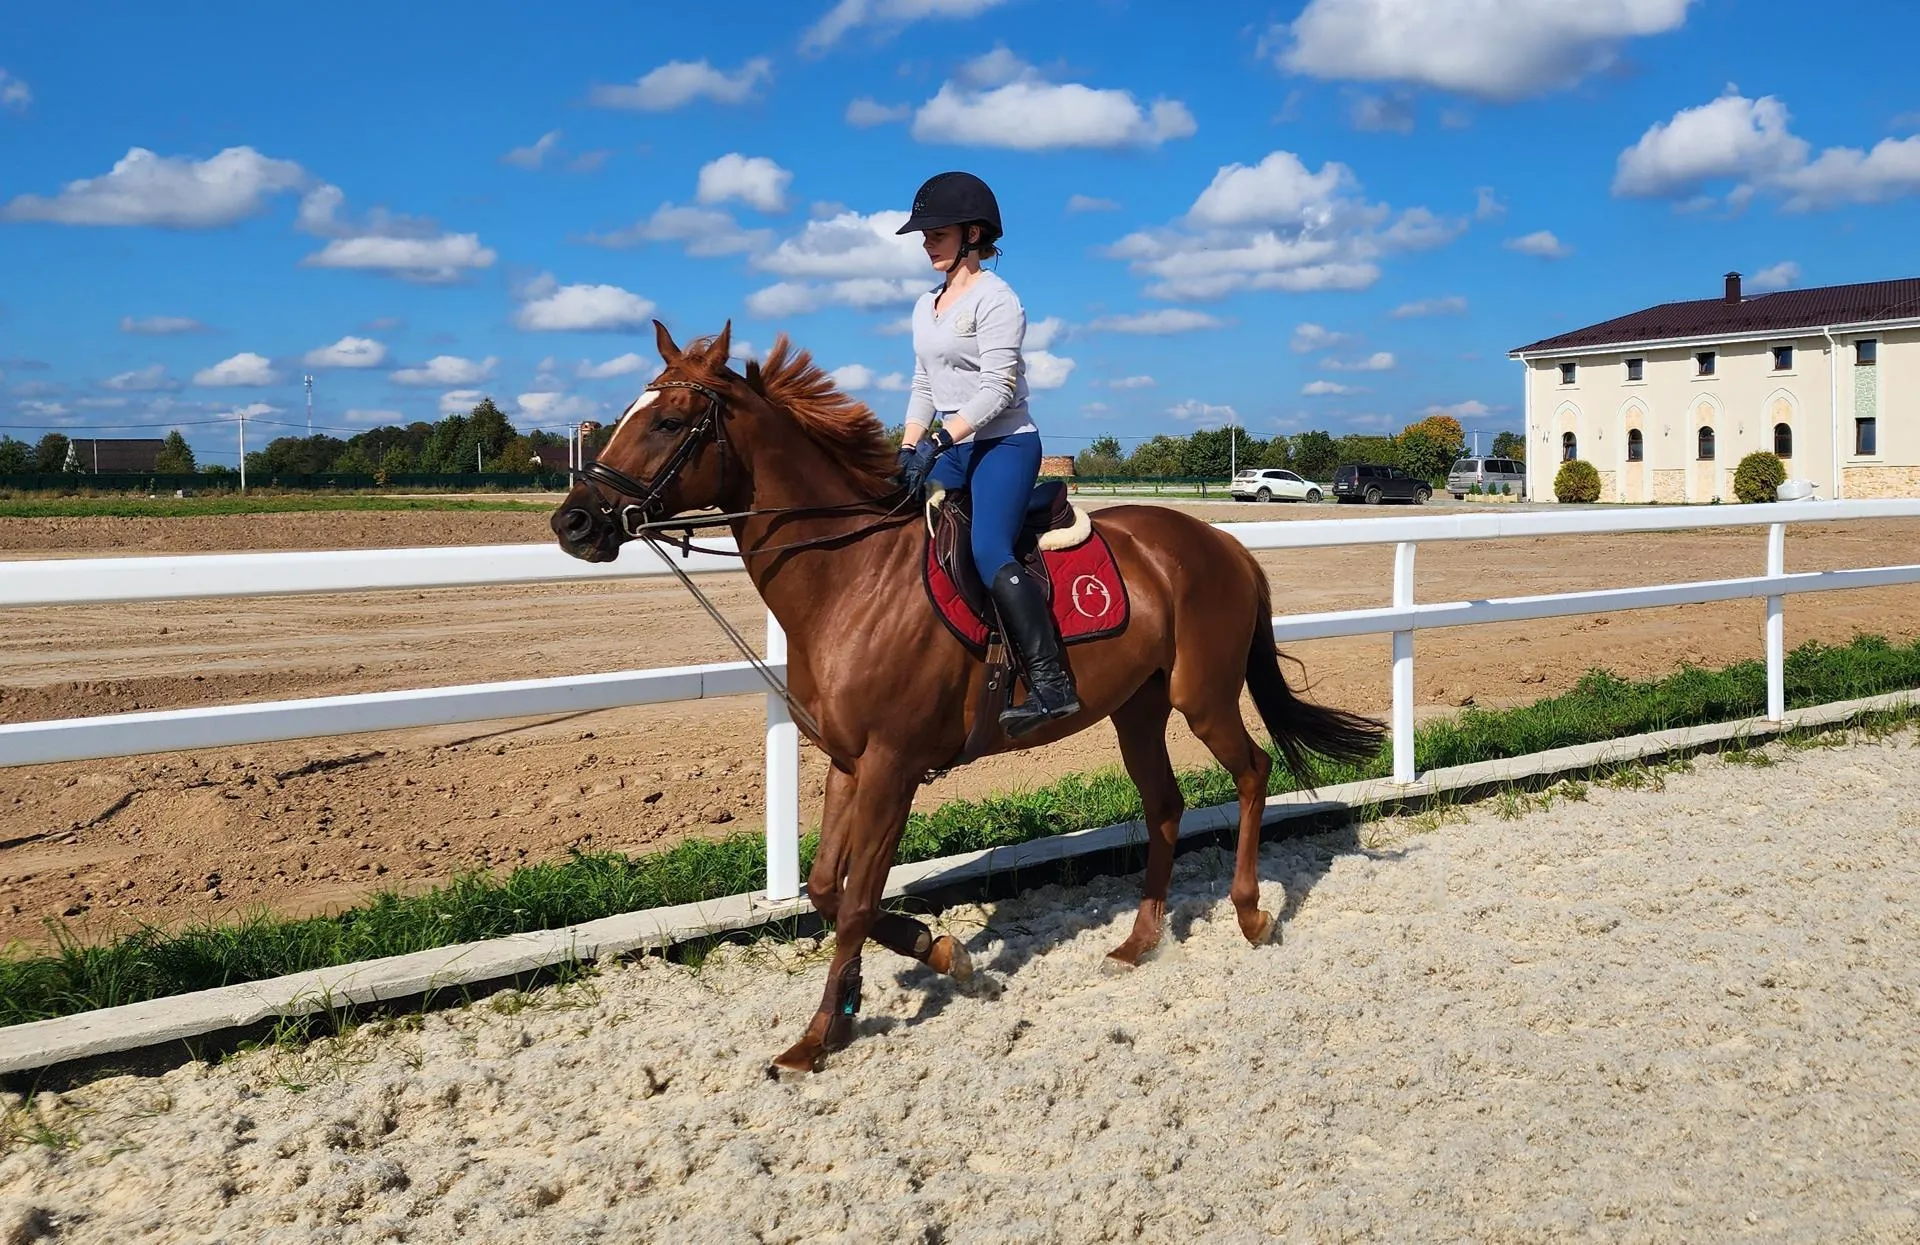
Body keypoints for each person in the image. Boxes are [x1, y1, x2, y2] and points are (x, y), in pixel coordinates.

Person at [893, 170, 1081, 740]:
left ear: (972, 234)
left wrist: (939, 441)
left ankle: (1051, 683)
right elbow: (923, 384)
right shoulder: (926, 306)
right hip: (952, 444)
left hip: (1004, 444)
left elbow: (998, 390)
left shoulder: (997, 300)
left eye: (937, 232)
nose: (927, 242)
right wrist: (908, 446)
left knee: (988, 548)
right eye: (924, 234)